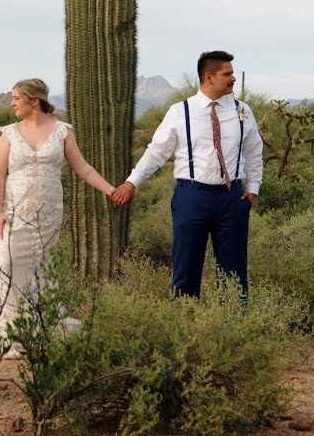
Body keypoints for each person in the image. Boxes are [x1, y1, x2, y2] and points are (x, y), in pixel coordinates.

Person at [111, 51, 264, 299]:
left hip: (231, 197)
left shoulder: (241, 110)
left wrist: (253, 188)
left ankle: (233, 325)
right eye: (228, 73)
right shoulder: (180, 111)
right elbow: (156, 152)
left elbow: (254, 150)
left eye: (233, 73)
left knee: (234, 269)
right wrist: (132, 182)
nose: (233, 78)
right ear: (209, 76)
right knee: (186, 268)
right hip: (192, 196)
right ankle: (185, 323)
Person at [0, 78, 115, 357]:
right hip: (14, 211)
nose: (11, 103)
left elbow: (82, 167)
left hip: (48, 212)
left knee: (39, 266)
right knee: (8, 262)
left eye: (16, 98)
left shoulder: (62, 131)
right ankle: (13, 335)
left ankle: (40, 328)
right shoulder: (9, 133)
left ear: (34, 101)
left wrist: (111, 190)